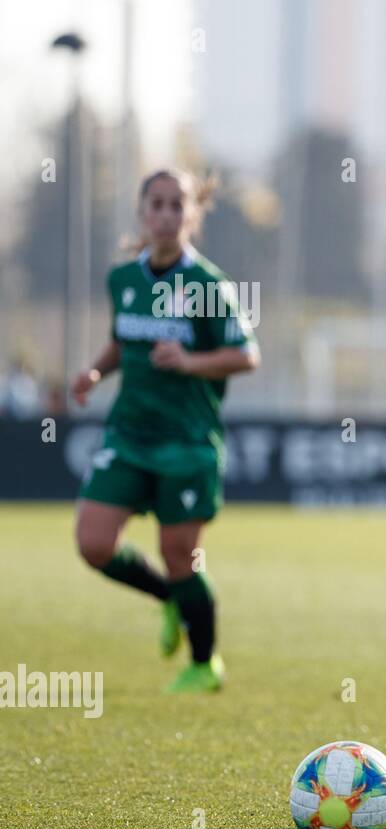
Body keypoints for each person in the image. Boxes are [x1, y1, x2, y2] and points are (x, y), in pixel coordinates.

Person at [71, 169, 259, 693]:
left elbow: (246, 355)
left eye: (177, 205)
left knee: (181, 556)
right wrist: (94, 371)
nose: (166, 215)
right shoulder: (123, 280)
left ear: (191, 216)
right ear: (142, 212)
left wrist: (190, 360)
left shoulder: (207, 286)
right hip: (129, 437)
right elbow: (121, 341)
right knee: (93, 544)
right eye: (156, 204)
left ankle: (204, 663)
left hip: (187, 443)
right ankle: (170, 598)